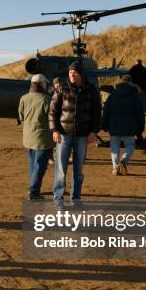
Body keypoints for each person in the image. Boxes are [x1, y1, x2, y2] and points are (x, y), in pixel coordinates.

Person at [49, 60, 101, 205]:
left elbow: (97, 113)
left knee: (78, 169)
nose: (72, 74)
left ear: (81, 74)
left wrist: (93, 132)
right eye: (70, 72)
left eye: (75, 72)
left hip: (83, 136)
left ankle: (76, 197)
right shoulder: (61, 89)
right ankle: (58, 198)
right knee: (61, 169)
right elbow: (53, 111)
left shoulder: (91, 90)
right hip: (64, 135)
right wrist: (54, 130)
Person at [18, 74, 54, 199]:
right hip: (42, 138)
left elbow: (21, 116)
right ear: (42, 84)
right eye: (45, 83)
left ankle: (35, 187)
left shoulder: (24, 98)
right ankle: (33, 191)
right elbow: (52, 119)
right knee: (40, 166)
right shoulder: (47, 99)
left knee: (33, 165)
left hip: (28, 137)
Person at [102, 75, 145, 175]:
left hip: (114, 126)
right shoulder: (135, 95)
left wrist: (104, 123)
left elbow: (106, 110)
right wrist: (141, 127)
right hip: (130, 125)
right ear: (131, 82)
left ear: (121, 82)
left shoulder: (113, 94)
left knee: (114, 147)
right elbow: (140, 113)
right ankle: (124, 159)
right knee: (130, 145)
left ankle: (115, 167)